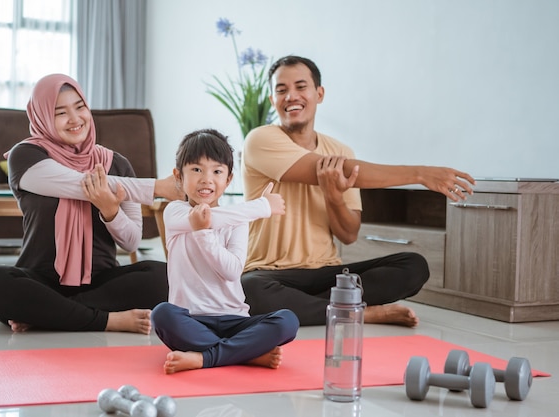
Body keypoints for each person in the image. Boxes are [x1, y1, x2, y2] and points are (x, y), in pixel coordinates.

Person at [240, 55, 476, 327]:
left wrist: (333, 196)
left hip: (325, 272)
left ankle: (313, 307)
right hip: (269, 273)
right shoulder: (260, 139)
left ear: (319, 93)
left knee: (413, 266)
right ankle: (356, 312)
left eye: (300, 86)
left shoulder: (340, 151)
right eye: (281, 90)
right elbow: (336, 170)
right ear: (273, 100)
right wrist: (420, 174)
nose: (291, 95)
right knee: (251, 290)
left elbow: (348, 234)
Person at [0, 74, 180, 334]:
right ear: (43, 116)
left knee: (168, 276)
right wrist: (158, 187)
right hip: (40, 280)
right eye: (60, 112)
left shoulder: (117, 163)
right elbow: (80, 183)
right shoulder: (25, 156)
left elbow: (131, 242)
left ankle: (47, 314)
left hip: (101, 283)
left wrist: (110, 210)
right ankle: (107, 320)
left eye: (80, 107)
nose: (75, 119)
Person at [149, 129, 299, 374]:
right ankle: (246, 355)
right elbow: (209, 217)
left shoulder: (238, 219)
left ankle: (204, 357)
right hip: (190, 320)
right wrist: (260, 207)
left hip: (234, 320)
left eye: (217, 171)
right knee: (162, 315)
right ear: (179, 176)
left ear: (228, 179)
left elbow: (231, 271)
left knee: (287, 321)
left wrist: (202, 233)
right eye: (196, 170)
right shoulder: (174, 212)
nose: (207, 179)